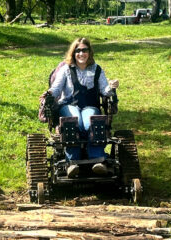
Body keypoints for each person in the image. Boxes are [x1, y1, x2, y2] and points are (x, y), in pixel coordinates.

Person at [46, 37, 119, 178]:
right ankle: (72, 162)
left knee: (92, 120)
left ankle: (98, 160)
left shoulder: (97, 69)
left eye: (84, 50)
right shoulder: (66, 69)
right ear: (73, 53)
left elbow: (104, 89)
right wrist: (48, 94)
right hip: (69, 104)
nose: (81, 54)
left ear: (89, 52)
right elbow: (56, 88)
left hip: (89, 106)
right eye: (77, 50)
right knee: (74, 120)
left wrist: (112, 87)